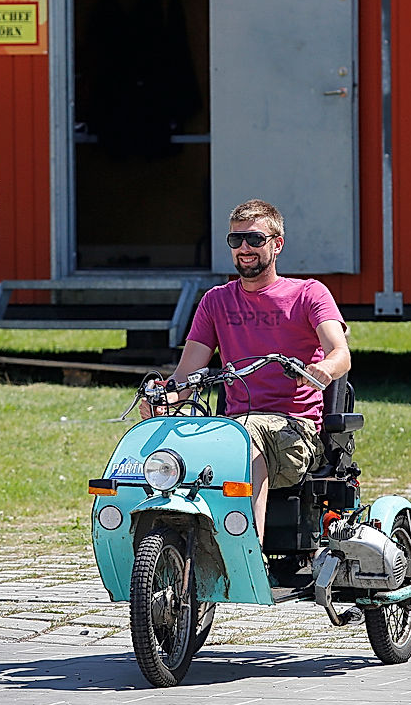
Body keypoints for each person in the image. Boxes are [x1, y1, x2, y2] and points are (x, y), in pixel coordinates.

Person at [140, 199, 351, 544]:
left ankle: (246, 550)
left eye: (254, 239)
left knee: (242, 433)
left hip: (293, 429)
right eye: (235, 241)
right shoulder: (216, 301)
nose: (244, 248)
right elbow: (187, 374)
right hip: (234, 426)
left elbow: (340, 353)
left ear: (277, 244)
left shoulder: (309, 293)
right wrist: (164, 397)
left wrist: (323, 370)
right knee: (178, 443)